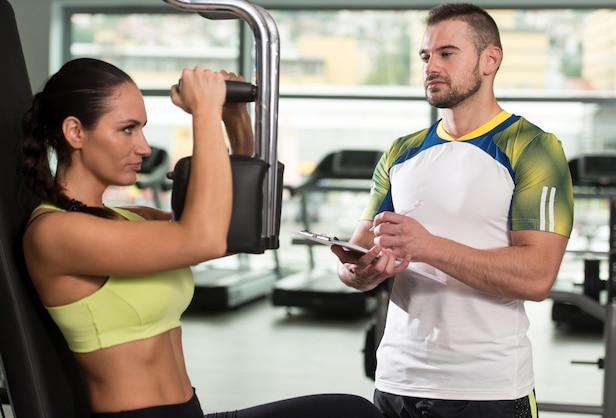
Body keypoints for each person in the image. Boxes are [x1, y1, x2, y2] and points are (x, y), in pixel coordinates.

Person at [20, 57, 384, 418]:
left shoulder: (129, 218)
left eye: (142, 129)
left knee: (350, 410)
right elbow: (204, 239)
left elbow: (243, 229)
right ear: (75, 132)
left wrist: (234, 119)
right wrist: (204, 115)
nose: (144, 147)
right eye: (128, 129)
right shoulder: (55, 232)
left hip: (188, 412)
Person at [331, 3, 574, 418]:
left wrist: (427, 246)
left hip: (489, 390)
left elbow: (537, 278)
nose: (431, 66)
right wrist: (362, 271)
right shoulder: (401, 151)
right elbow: (353, 259)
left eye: (447, 53)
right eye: (426, 56)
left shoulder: (534, 147)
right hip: (396, 381)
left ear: (490, 60)